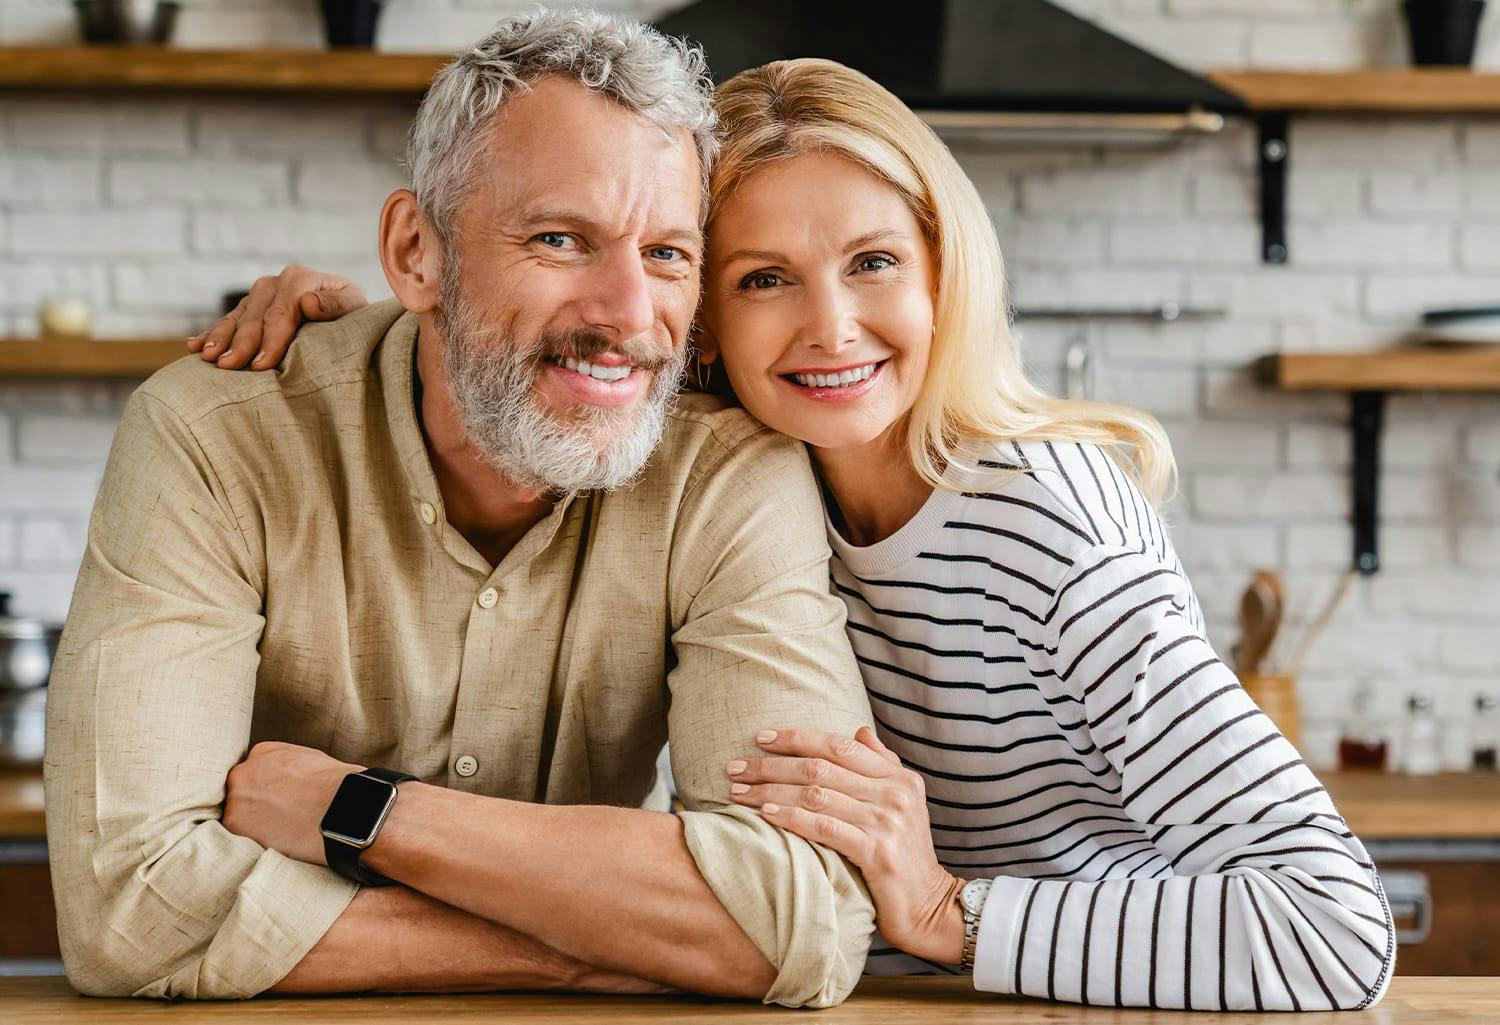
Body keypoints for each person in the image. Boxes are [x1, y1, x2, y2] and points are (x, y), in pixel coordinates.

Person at [212, 54, 1399, 1011]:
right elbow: (552, 342)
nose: (832, 328)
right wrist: (370, 323)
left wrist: (943, 910)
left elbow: (1334, 929)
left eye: (874, 262)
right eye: (766, 278)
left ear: (945, 275)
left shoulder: (1051, 526)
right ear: (706, 321)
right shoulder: (733, 477)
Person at [44, 12, 879, 1006]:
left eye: (666, 253)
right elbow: (127, 908)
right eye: (562, 238)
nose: (625, 310)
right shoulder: (216, 437)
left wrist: (363, 811)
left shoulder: (728, 474)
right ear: (416, 251)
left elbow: (807, 918)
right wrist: (587, 943)